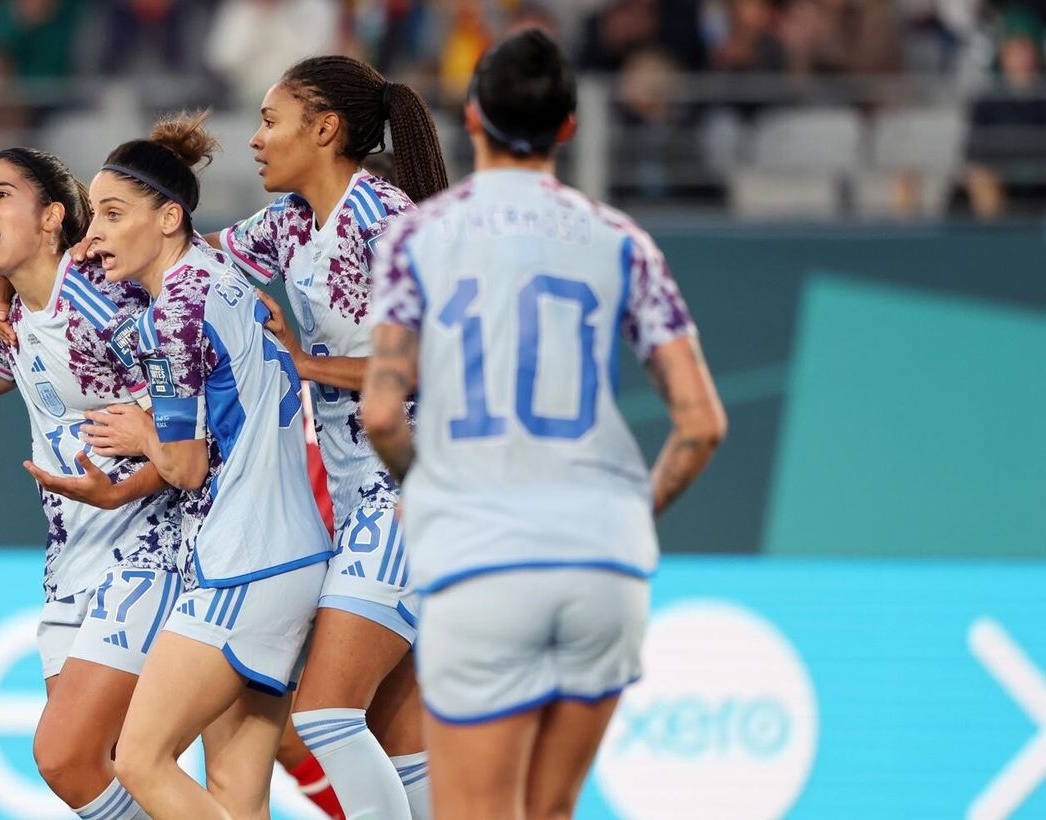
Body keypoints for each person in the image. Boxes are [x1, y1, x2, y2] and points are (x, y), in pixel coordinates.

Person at [362, 30, 727, 819]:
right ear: (569, 126)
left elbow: (383, 412)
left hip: (485, 554)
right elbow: (700, 424)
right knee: (550, 809)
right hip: (602, 561)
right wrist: (633, 512)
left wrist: (430, 492)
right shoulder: (623, 241)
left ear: (472, 116)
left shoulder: (417, 237)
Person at [75, 111, 332, 820]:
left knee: (139, 758)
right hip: (293, 558)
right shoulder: (220, 275)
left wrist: (142, 434)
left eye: (112, 214)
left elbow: (185, 469)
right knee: (236, 795)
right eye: (93, 215)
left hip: (240, 563)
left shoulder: (173, 315)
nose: (94, 234)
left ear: (167, 219)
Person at [219, 54, 449, 819]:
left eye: (270, 121)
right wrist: (65, 254)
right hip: (361, 497)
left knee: (323, 713)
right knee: (400, 737)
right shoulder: (291, 221)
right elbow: (192, 259)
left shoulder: (386, 220)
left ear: (324, 129)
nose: (255, 139)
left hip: (414, 488)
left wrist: (302, 363)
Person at [0, 146, 184, 820]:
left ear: (52, 217)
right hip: (71, 561)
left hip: (146, 549)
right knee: (105, 766)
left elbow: (186, 429)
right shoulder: (17, 317)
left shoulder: (106, 304)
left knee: (64, 756)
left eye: (1, 194)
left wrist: (122, 489)